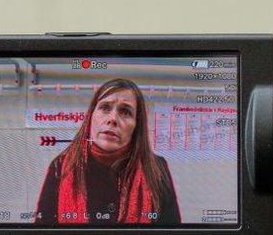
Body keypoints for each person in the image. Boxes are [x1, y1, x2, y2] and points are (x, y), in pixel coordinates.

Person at [35, 78, 180, 224]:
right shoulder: (61, 165)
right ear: (91, 117)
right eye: (105, 108)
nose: (113, 119)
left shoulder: (157, 168)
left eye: (125, 111)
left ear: (137, 125)